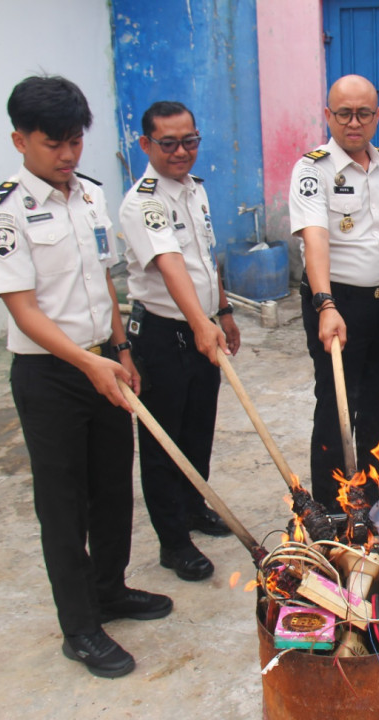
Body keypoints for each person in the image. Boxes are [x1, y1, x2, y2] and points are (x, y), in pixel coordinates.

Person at [0, 76, 171, 679]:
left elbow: (103, 285)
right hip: (51, 376)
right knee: (63, 505)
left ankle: (110, 590)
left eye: (75, 141)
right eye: (53, 143)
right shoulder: (2, 212)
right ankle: (80, 628)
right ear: (20, 140)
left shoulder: (88, 196)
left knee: (114, 487)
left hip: (104, 362)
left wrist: (120, 347)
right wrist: (89, 362)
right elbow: (23, 309)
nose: (67, 155)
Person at [289, 75, 379, 510]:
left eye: (363, 113)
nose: (353, 122)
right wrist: (325, 304)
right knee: (336, 409)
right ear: (328, 115)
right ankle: (330, 508)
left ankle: (371, 498)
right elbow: (315, 239)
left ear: (377, 116)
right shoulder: (313, 169)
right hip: (339, 306)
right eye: (343, 113)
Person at [119, 101, 241, 582]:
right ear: (146, 145)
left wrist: (223, 311)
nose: (180, 152)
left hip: (201, 326)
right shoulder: (144, 202)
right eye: (167, 143)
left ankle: (193, 506)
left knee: (198, 428)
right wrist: (199, 322)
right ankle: (173, 542)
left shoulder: (195, 192)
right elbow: (170, 266)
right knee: (163, 441)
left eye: (189, 141)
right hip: (163, 333)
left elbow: (203, 260)